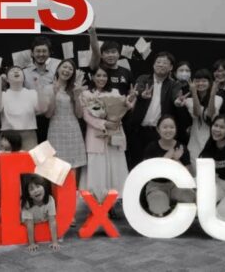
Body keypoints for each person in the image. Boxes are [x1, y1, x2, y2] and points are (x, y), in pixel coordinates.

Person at [80, 67, 136, 217]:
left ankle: (111, 204)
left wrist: (130, 101)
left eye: (104, 75)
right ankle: (97, 205)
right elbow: (86, 115)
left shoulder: (115, 93)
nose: (101, 78)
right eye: (98, 75)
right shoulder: (86, 94)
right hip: (95, 136)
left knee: (115, 170)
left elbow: (125, 108)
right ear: (93, 77)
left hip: (113, 136)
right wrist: (104, 124)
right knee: (98, 171)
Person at [126, 52, 183, 169]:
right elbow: (139, 89)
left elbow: (175, 96)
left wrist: (177, 101)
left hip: (159, 133)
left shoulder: (174, 84)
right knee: (136, 165)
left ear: (171, 67)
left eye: (165, 63)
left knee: (156, 166)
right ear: (153, 65)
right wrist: (142, 94)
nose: (161, 65)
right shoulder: (143, 78)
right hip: (138, 131)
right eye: (158, 62)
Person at [142, 114, 195, 216]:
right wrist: (166, 158)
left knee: (190, 197)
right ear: (158, 129)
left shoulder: (181, 147)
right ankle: (164, 209)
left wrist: (176, 160)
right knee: (159, 210)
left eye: (171, 127)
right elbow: (147, 173)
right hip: (156, 186)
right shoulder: (151, 148)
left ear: (176, 129)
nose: (168, 130)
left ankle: (174, 208)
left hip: (176, 185)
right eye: (165, 127)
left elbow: (188, 175)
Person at [0, 67, 49, 150]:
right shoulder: (3, 95)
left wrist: (38, 86)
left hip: (29, 135)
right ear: (7, 79)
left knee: (29, 158)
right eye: (12, 71)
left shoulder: (32, 93)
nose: (16, 71)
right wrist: (0, 83)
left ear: (24, 78)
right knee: (7, 158)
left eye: (19, 70)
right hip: (8, 136)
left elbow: (43, 109)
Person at [45, 60, 87, 170]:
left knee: (73, 168)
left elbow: (79, 115)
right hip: (56, 130)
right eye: (64, 67)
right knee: (55, 167)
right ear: (58, 69)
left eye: (70, 69)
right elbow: (48, 115)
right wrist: (54, 93)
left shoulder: (75, 88)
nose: (67, 70)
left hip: (73, 131)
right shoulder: (48, 88)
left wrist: (77, 96)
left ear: (73, 73)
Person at [182, 69, 223, 170]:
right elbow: (197, 114)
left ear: (210, 83)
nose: (200, 83)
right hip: (195, 141)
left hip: (212, 141)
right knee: (195, 171)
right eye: (197, 81)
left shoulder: (218, 98)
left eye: (204, 81)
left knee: (210, 171)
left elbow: (210, 114)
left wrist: (212, 94)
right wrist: (194, 93)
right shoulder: (188, 100)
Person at [23, 36, 56, 143]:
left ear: (49, 53)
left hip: (52, 119)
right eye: (38, 51)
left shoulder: (55, 73)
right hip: (30, 120)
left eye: (44, 51)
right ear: (32, 53)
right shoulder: (23, 73)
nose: (41, 54)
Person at [89, 24, 132, 95]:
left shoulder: (126, 72)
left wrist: (133, 97)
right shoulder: (97, 69)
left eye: (113, 52)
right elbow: (96, 51)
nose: (110, 55)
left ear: (119, 54)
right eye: (107, 52)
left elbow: (131, 93)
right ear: (101, 55)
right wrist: (92, 32)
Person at [21, 174, 60, 252]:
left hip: (41, 219)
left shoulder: (50, 200)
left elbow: (52, 221)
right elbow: (29, 224)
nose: (36, 190)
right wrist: (32, 243)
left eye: (38, 186)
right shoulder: (27, 204)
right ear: (29, 195)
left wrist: (55, 242)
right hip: (30, 221)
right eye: (31, 189)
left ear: (44, 187)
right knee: (29, 221)